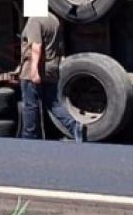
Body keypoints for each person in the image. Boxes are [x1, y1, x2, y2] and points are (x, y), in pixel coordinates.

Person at [19, 12, 85, 142]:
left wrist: (33, 70)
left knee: (30, 104)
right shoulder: (54, 19)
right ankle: (73, 125)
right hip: (52, 68)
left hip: (36, 67)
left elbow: (36, 46)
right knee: (53, 103)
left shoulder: (35, 20)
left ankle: (29, 137)